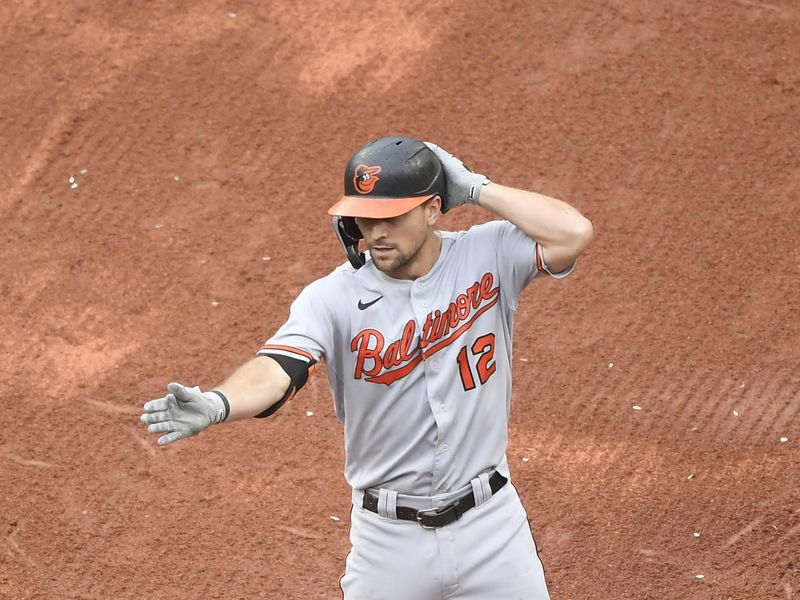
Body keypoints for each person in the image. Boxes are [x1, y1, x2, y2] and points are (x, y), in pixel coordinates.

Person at [140, 135, 593, 599]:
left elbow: (573, 233)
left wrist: (476, 187)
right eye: (365, 217)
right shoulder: (333, 297)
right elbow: (277, 368)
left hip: (492, 528)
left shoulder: (488, 255)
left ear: (433, 208)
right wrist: (219, 402)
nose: (375, 233)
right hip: (389, 545)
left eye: (391, 217)